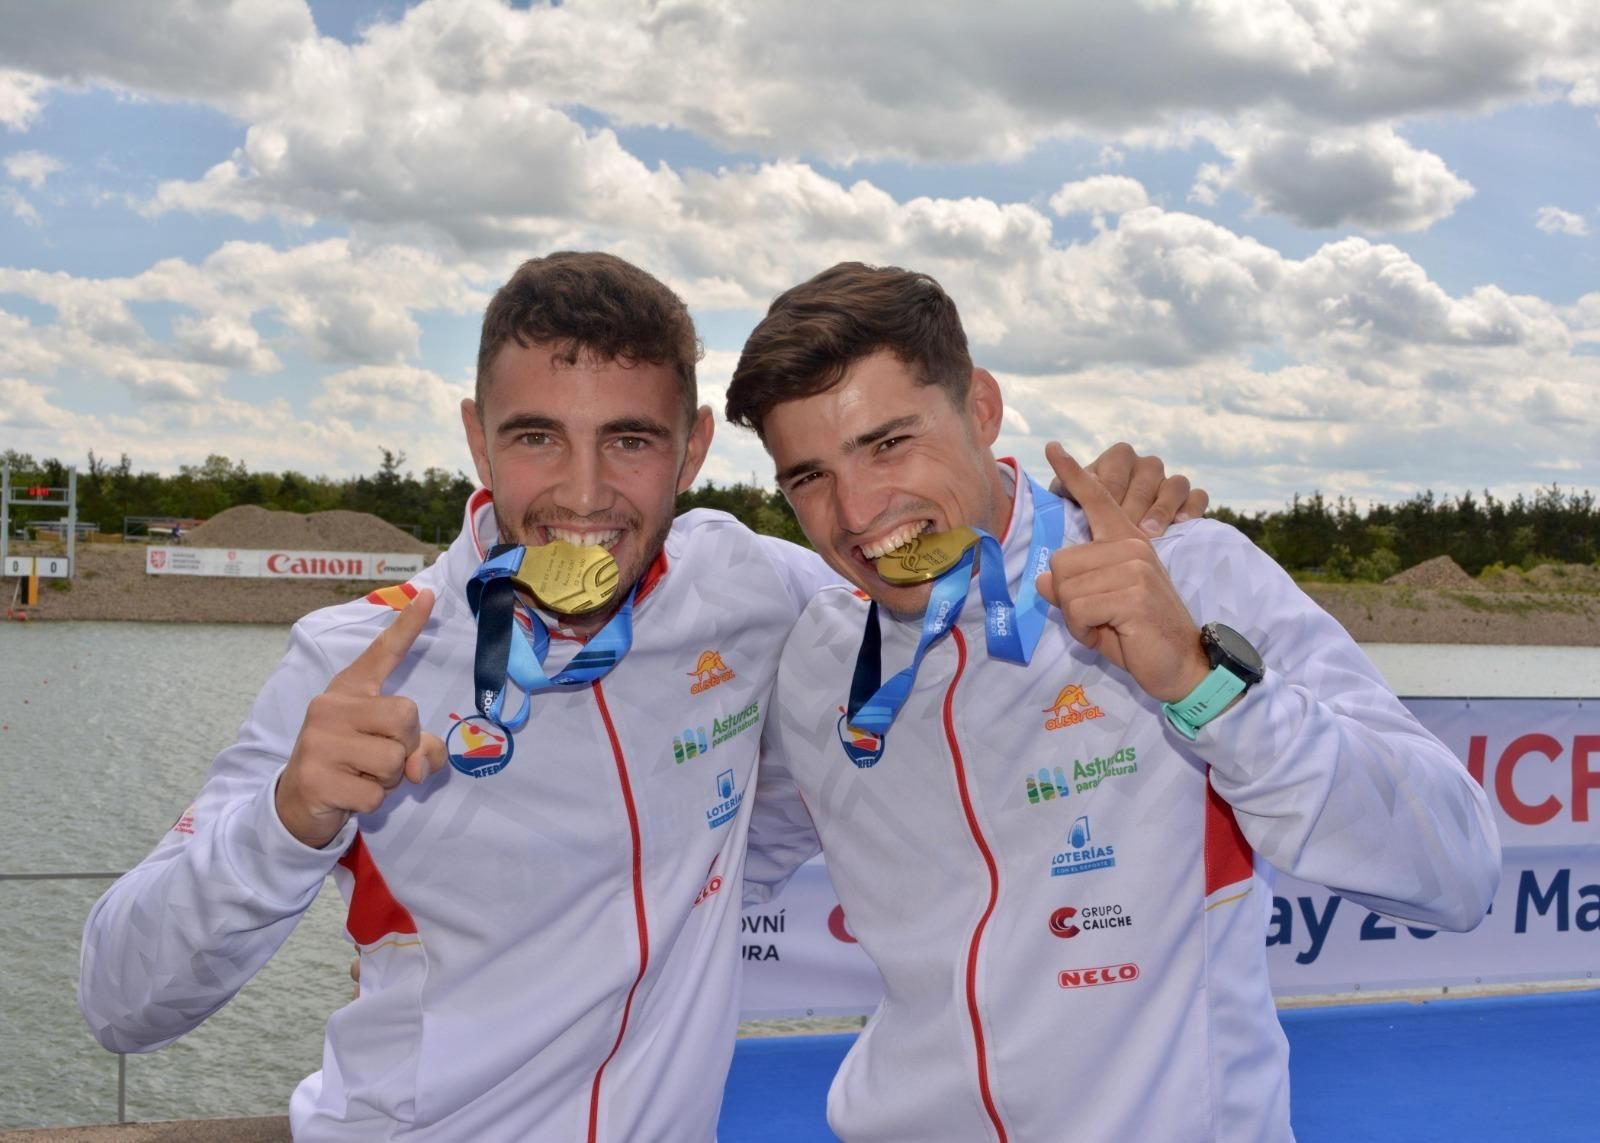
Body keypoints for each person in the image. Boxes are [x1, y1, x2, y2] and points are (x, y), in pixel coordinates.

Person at [77, 251, 1203, 1142]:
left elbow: (918, 562)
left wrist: (1117, 523)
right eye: (534, 438)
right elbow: (122, 1001)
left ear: (693, 450)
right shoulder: (362, 656)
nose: (579, 492)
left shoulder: (750, 587)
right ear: (475, 437)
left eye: (627, 441)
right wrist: (284, 822)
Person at [727, 262, 1501, 1143]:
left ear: (981, 407)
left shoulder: (1188, 571)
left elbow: (1460, 867)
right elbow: (706, 872)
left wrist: (1210, 687)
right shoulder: (821, 658)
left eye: (888, 442)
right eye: (809, 478)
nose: (858, 510)